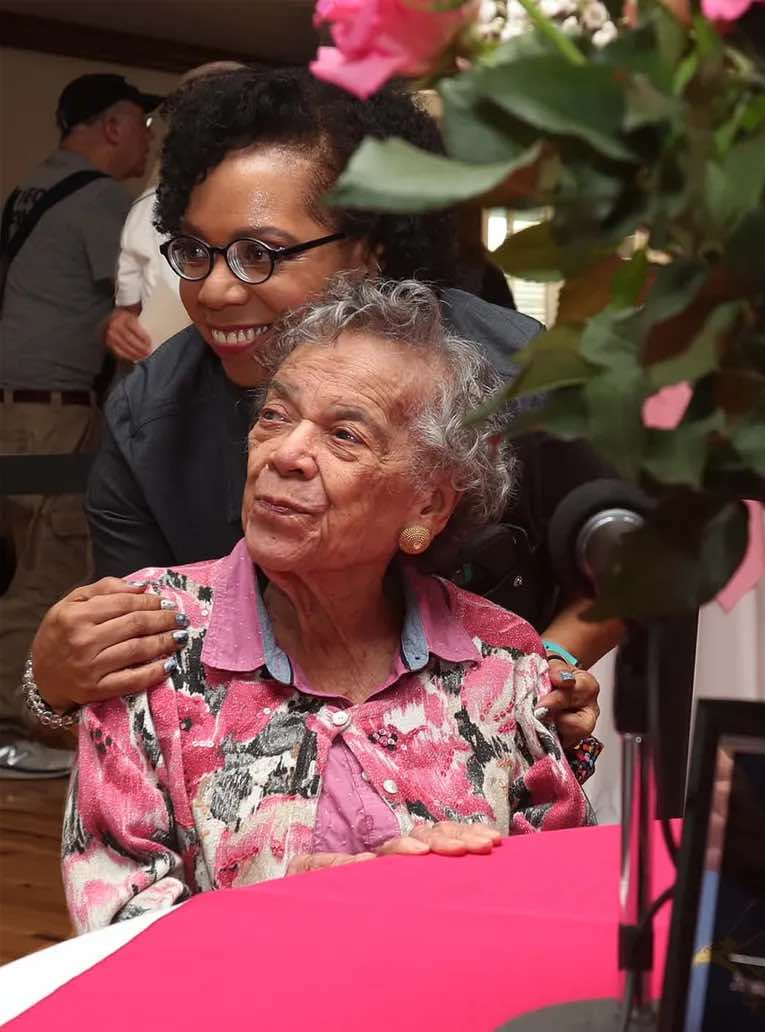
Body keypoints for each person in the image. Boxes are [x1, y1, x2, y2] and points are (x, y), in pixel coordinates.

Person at [23, 68, 616, 759]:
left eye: (258, 254)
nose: (213, 290)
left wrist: (537, 672)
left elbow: (631, 567)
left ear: (369, 250)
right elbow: (130, 685)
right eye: (194, 251)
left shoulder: (516, 377)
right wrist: (55, 685)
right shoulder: (150, 421)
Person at [62, 277, 591, 933]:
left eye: (344, 435)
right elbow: (114, 921)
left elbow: (557, 903)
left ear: (427, 503)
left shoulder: (500, 656)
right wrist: (315, 907)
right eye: (276, 416)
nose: (284, 455)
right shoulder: (151, 632)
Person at [0, 73, 160, 777]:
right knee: (48, 568)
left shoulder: (29, 189)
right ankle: (24, 728)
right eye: (144, 128)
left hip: (16, 408)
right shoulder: (101, 200)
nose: (149, 144)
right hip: (52, 414)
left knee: (20, 563)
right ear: (117, 126)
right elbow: (149, 293)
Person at [103, 61, 245, 361]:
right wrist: (120, 324)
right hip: (164, 379)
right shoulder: (146, 209)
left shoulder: (282, 201)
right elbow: (128, 312)